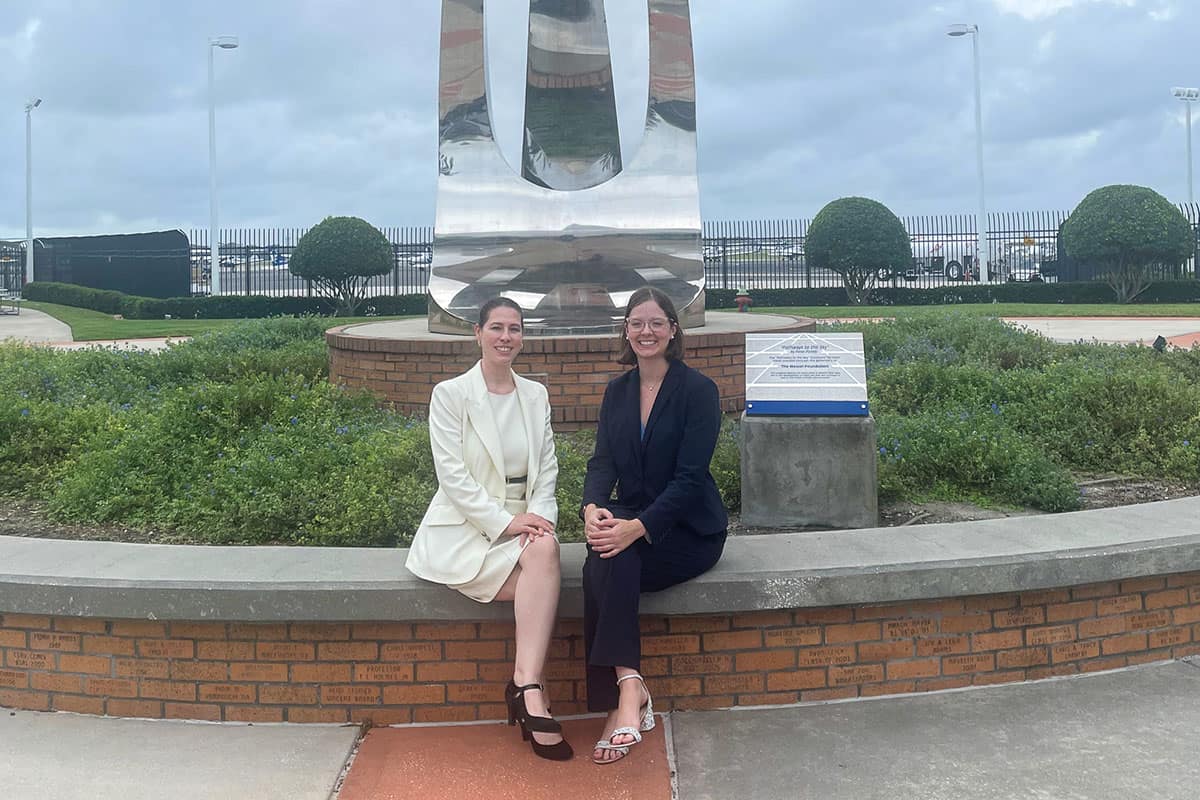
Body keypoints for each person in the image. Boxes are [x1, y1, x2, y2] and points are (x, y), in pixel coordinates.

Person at [406, 297, 572, 761]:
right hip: (466, 529)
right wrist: (506, 523)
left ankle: (525, 684)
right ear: (478, 334)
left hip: (526, 524)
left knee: (545, 550)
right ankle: (532, 692)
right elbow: (452, 477)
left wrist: (538, 520)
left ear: (523, 337)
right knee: (543, 578)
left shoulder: (535, 395)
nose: (506, 337)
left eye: (514, 329)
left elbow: (547, 470)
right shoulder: (451, 394)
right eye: (496, 327)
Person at [581, 287, 728, 765]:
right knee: (608, 552)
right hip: (634, 520)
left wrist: (637, 527)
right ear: (626, 330)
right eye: (636, 323)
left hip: (689, 530)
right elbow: (602, 463)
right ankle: (630, 689)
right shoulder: (617, 392)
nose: (646, 332)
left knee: (609, 558)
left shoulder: (698, 391)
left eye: (656, 323)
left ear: (673, 330)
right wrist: (592, 507)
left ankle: (620, 700)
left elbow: (689, 479)